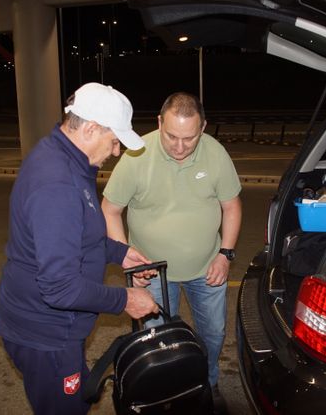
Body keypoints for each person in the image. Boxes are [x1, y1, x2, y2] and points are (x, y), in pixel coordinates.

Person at [0, 82, 159, 415]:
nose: (116, 152)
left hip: (50, 328)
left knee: (78, 398)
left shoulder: (64, 156)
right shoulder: (57, 184)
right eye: (114, 141)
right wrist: (125, 299)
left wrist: (118, 252)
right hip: (46, 334)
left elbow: (78, 233)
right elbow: (60, 288)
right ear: (91, 128)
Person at [102, 92, 242, 413]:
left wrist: (226, 254)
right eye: (171, 136)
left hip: (208, 267)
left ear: (203, 128)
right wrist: (128, 258)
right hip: (151, 273)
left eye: (189, 138)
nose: (180, 147)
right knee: (156, 343)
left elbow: (231, 205)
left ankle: (208, 381)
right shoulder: (136, 156)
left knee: (213, 334)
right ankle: (162, 395)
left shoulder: (216, 154)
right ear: (159, 123)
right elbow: (110, 210)